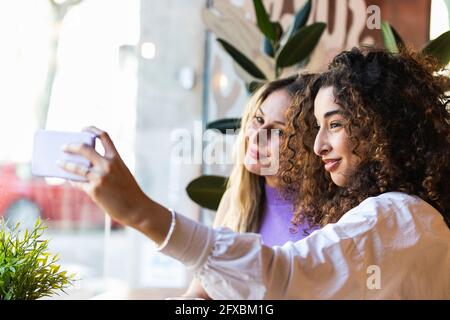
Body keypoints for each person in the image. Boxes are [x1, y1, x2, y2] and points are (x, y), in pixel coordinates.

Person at [60, 47, 450, 299]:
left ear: (380, 125)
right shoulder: (402, 216)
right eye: (316, 127)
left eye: (335, 124)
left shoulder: (399, 216)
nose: (319, 147)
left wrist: (141, 212)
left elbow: (281, 277)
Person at [182, 74, 317, 298]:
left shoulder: (331, 213)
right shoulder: (235, 200)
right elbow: (203, 289)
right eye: (259, 120)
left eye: (279, 132)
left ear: (309, 145)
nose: (257, 137)